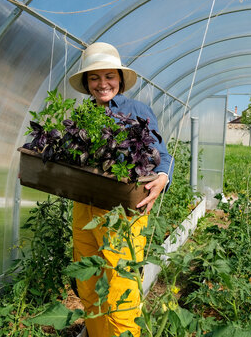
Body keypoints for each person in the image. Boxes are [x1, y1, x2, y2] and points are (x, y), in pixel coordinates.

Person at [68, 42, 174, 337]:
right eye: (94, 78)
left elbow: (161, 155)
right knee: (89, 285)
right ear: (87, 83)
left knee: (120, 286)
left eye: (109, 76)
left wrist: (163, 176)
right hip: (84, 208)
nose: (102, 84)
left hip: (123, 213)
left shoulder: (137, 110)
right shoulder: (81, 116)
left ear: (120, 78)